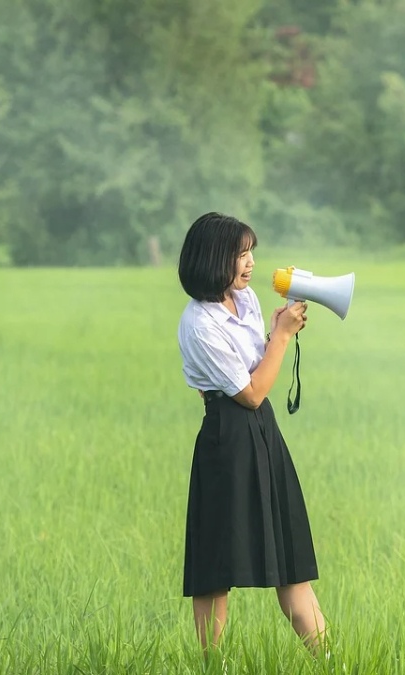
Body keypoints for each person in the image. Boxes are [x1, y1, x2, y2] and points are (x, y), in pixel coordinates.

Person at [176, 212, 327, 655]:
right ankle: (212, 664)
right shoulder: (200, 324)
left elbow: (258, 368)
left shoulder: (245, 302)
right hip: (227, 438)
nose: (250, 263)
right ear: (212, 259)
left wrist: (276, 332)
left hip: (264, 435)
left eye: (250, 253)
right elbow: (253, 392)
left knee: (292, 561)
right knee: (215, 567)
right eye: (240, 254)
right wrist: (280, 338)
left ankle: (331, 662)